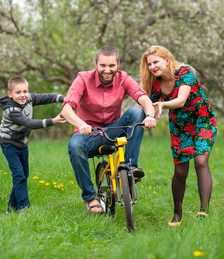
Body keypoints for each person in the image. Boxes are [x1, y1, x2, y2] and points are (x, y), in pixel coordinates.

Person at [61, 46, 157, 213]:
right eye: (103, 65)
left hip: (113, 130)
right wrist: (81, 124)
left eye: (112, 66)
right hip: (89, 134)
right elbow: (66, 109)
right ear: (96, 64)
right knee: (75, 147)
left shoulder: (123, 78)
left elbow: (143, 98)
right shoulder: (83, 79)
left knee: (137, 111)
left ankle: (130, 168)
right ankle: (90, 197)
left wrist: (149, 115)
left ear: (118, 64)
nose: (107, 70)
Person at [140, 46, 217, 225]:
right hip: (179, 127)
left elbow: (181, 100)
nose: (152, 66)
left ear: (167, 60)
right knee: (180, 171)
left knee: (200, 161)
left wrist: (161, 105)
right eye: (149, 64)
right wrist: (148, 113)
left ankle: (203, 211)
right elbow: (146, 103)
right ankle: (177, 214)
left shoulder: (185, 72)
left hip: (202, 121)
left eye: (155, 62)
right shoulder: (156, 85)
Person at [0, 76, 66, 213]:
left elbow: (46, 97)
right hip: (9, 144)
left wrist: (63, 98)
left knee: (24, 175)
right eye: (18, 92)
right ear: (9, 94)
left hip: (22, 144)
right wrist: (53, 121)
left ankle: (11, 208)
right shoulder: (12, 111)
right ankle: (24, 209)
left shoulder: (29, 98)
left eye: (25, 91)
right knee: (19, 175)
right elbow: (30, 123)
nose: (23, 95)